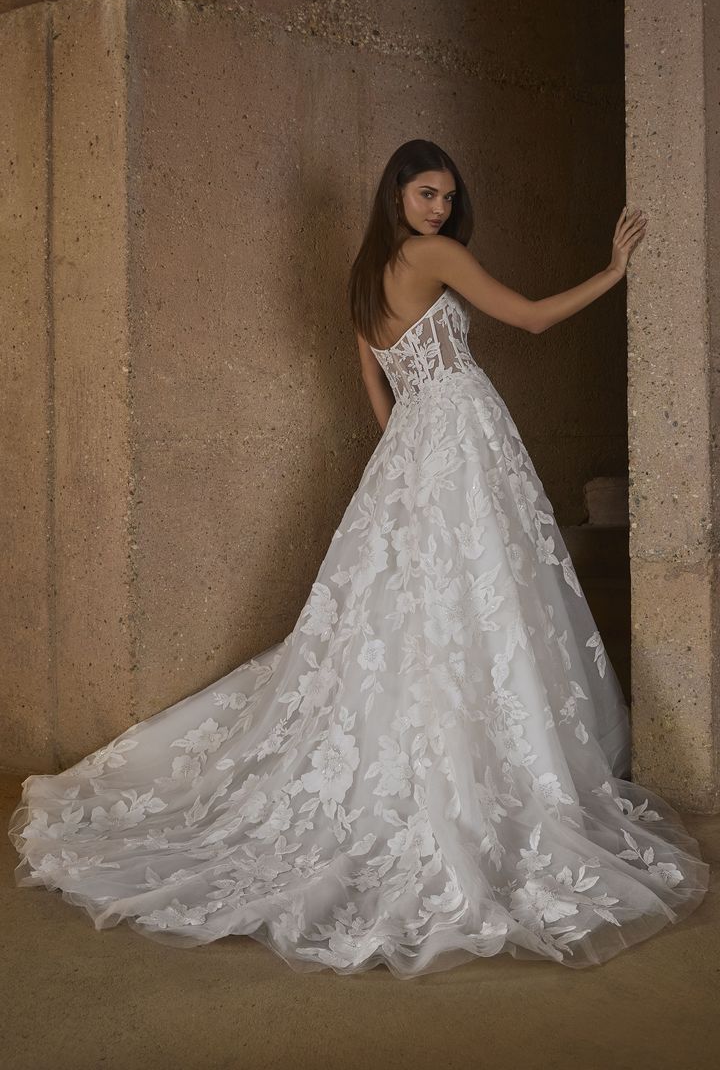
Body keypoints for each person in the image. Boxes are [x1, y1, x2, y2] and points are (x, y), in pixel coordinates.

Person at [8, 139, 709, 978]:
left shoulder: (363, 276)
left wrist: (413, 459)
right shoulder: (430, 256)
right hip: (457, 437)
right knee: (475, 602)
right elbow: (526, 317)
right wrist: (613, 270)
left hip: (417, 447)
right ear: (396, 195)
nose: (440, 209)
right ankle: (496, 764)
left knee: (415, 612)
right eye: (425, 193)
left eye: (448, 196)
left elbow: (376, 389)